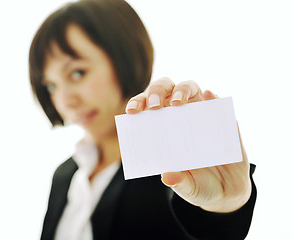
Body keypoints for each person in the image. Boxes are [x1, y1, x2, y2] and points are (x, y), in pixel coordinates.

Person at [29, 0, 257, 239]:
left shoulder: (171, 165)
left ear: (124, 56)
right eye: (51, 85)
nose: (65, 101)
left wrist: (225, 206)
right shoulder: (65, 175)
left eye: (77, 73)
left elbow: (208, 225)